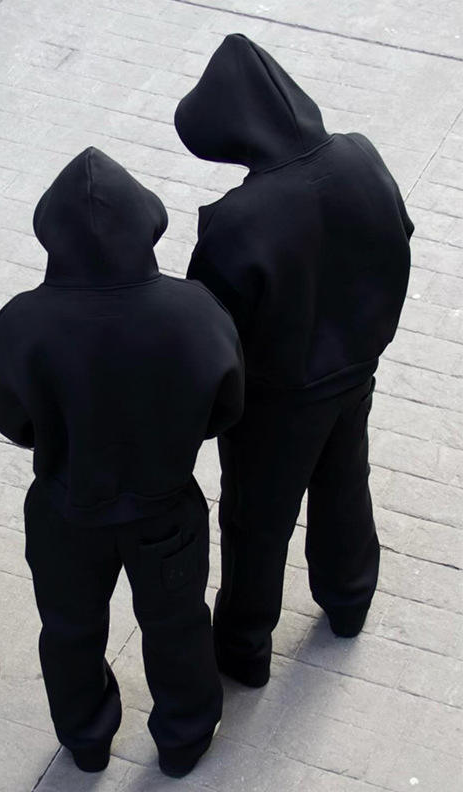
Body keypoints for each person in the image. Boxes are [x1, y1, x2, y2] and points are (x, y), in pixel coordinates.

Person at [0, 147, 244, 777]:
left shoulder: (22, 321)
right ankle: (183, 739)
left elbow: (10, 417)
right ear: (147, 223)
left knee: (69, 629)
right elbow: (226, 407)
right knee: (177, 624)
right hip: (165, 507)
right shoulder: (196, 311)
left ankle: (87, 739)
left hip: (65, 508)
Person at [174, 34, 414, 688]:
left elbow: (211, 334)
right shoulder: (361, 155)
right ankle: (349, 599)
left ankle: (245, 649)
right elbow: (400, 236)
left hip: (276, 404)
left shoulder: (237, 222)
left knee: (257, 524)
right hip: (353, 373)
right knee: (345, 485)